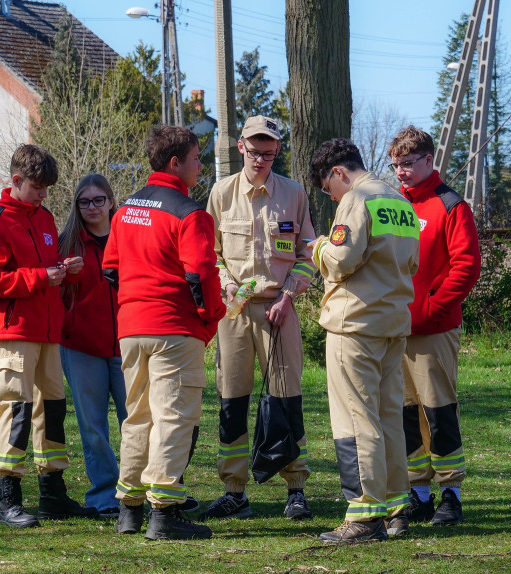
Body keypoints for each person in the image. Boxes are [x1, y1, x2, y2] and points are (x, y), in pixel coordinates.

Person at [102, 125, 226, 540]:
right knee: (174, 418)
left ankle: (129, 509)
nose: (200, 165)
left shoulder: (123, 211)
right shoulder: (190, 213)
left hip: (131, 327)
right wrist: (212, 317)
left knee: (136, 416)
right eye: (196, 158)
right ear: (176, 163)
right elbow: (201, 274)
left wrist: (132, 311)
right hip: (174, 327)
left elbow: (111, 270)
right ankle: (165, 511)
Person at [0, 143, 95, 528]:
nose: (44, 194)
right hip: (14, 333)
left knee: (51, 410)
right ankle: (7, 500)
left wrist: (63, 269)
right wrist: (43, 277)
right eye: (38, 187)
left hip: (46, 333)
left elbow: (41, 269)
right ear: (16, 181)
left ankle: (52, 493)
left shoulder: (43, 219)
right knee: (17, 410)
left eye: (47, 188)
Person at [202, 116, 317, 522]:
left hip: (278, 310)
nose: (261, 160)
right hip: (233, 311)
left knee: (286, 400)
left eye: (269, 154)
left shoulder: (294, 194)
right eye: (255, 152)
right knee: (232, 400)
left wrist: (288, 297)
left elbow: (308, 257)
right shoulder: (221, 193)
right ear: (240, 148)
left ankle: (296, 487)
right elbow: (209, 255)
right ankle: (234, 490)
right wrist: (224, 285)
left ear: (277, 152)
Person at [308, 139, 419, 543]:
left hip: (353, 324)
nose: (330, 197)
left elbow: (340, 260)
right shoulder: (399, 202)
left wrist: (319, 245)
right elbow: (412, 263)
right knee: (389, 417)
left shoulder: (356, 200)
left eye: (327, 189)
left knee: (356, 420)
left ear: (339, 172)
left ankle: (363, 515)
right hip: (393, 323)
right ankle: (395, 507)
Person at [387, 126, 481, 528]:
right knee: (407, 415)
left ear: (429, 160)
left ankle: (451, 492)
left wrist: (429, 308)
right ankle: (418, 491)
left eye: (408, 164)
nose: (401, 172)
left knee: (438, 411)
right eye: (396, 166)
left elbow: (467, 266)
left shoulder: (450, 206)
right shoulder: (394, 207)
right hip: (395, 329)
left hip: (433, 329)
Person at [58, 174, 125, 518]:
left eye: (99, 200)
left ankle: (139, 489)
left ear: (112, 201)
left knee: (137, 422)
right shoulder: (67, 244)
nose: (92, 208)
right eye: (84, 202)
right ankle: (103, 495)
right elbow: (52, 294)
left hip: (127, 343)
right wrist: (63, 276)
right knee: (93, 427)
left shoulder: (128, 236)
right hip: (81, 346)